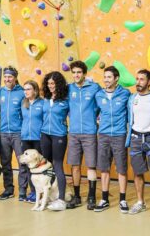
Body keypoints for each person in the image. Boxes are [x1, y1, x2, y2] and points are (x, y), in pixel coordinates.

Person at [126, 69, 150, 214]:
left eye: (142, 79)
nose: (138, 82)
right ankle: (140, 202)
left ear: (149, 82)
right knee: (138, 172)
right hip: (136, 138)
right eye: (137, 79)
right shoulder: (132, 98)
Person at [94, 66, 131, 213]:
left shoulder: (125, 94)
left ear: (116, 79)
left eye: (109, 77)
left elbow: (130, 114)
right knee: (104, 168)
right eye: (105, 77)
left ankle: (122, 199)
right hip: (103, 135)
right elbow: (95, 113)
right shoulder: (98, 95)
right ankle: (104, 199)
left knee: (121, 168)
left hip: (119, 134)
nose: (106, 80)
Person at [66, 61, 101, 210]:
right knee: (75, 166)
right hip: (73, 133)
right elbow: (66, 107)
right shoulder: (68, 89)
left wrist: (93, 117)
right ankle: (77, 196)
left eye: (79, 72)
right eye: (73, 72)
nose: (76, 75)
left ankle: (91, 196)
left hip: (89, 132)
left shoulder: (94, 87)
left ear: (84, 74)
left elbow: (100, 106)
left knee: (91, 166)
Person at [40, 71, 69, 211]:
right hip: (45, 134)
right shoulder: (45, 98)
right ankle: (50, 196)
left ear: (59, 84)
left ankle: (62, 199)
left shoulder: (65, 99)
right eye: (49, 83)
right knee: (47, 166)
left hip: (59, 135)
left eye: (53, 83)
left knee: (57, 165)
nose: (51, 86)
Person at [0, 66, 26, 201]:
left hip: (18, 133)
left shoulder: (22, 92)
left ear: (15, 78)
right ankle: (9, 189)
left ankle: (23, 191)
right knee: (5, 163)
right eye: (6, 77)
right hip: (3, 133)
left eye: (10, 77)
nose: (7, 79)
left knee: (23, 163)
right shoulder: (0, 92)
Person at [20, 80, 44, 203]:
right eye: (24, 89)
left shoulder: (43, 103)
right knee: (29, 167)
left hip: (38, 139)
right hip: (25, 139)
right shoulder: (23, 103)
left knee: (38, 166)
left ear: (35, 90)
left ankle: (42, 192)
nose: (26, 92)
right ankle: (33, 191)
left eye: (28, 89)